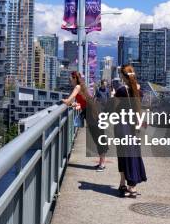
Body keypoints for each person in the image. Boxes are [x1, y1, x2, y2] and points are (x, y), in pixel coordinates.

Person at [63, 71, 107, 171]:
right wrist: (74, 104)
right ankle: (101, 163)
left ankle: (102, 164)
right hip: (92, 111)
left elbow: (70, 99)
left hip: (91, 113)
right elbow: (81, 101)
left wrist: (65, 101)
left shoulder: (77, 87)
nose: (70, 80)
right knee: (98, 137)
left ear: (75, 78)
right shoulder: (81, 87)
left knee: (98, 137)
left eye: (71, 78)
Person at [114, 64, 147, 197]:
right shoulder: (139, 90)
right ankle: (131, 186)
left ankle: (124, 184)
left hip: (121, 126)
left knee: (122, 155)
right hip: (133, 126)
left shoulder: (121, 90)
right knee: (133, 153)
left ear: (123, 76)